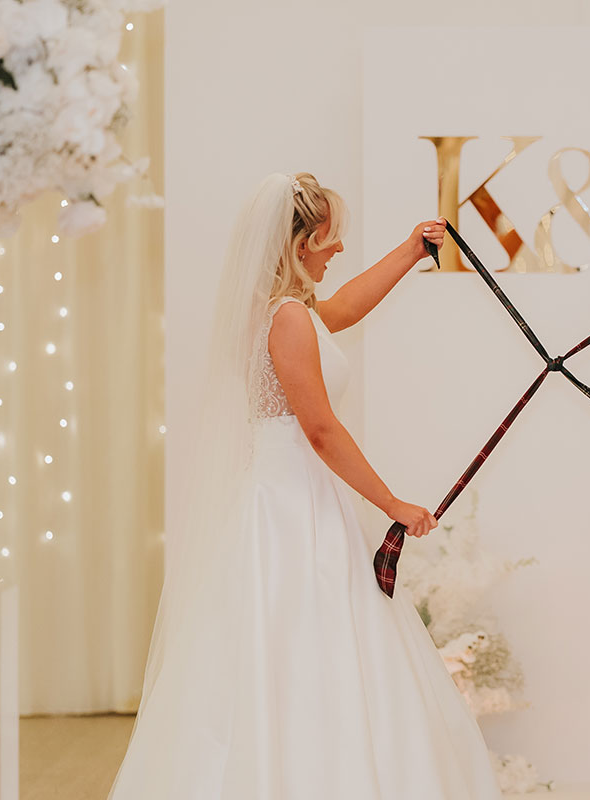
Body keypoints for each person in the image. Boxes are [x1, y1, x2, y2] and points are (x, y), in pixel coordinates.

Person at [109, 173, 501, 799]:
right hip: (293, 506)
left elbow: (340, 310)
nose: (338, 249)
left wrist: (410, 251)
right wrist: (394, 504)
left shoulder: (284, 311)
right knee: (309, 643)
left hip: (287, 497)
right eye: (330, 238)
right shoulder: (288, 318)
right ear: (299, 245)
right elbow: (319, 430)